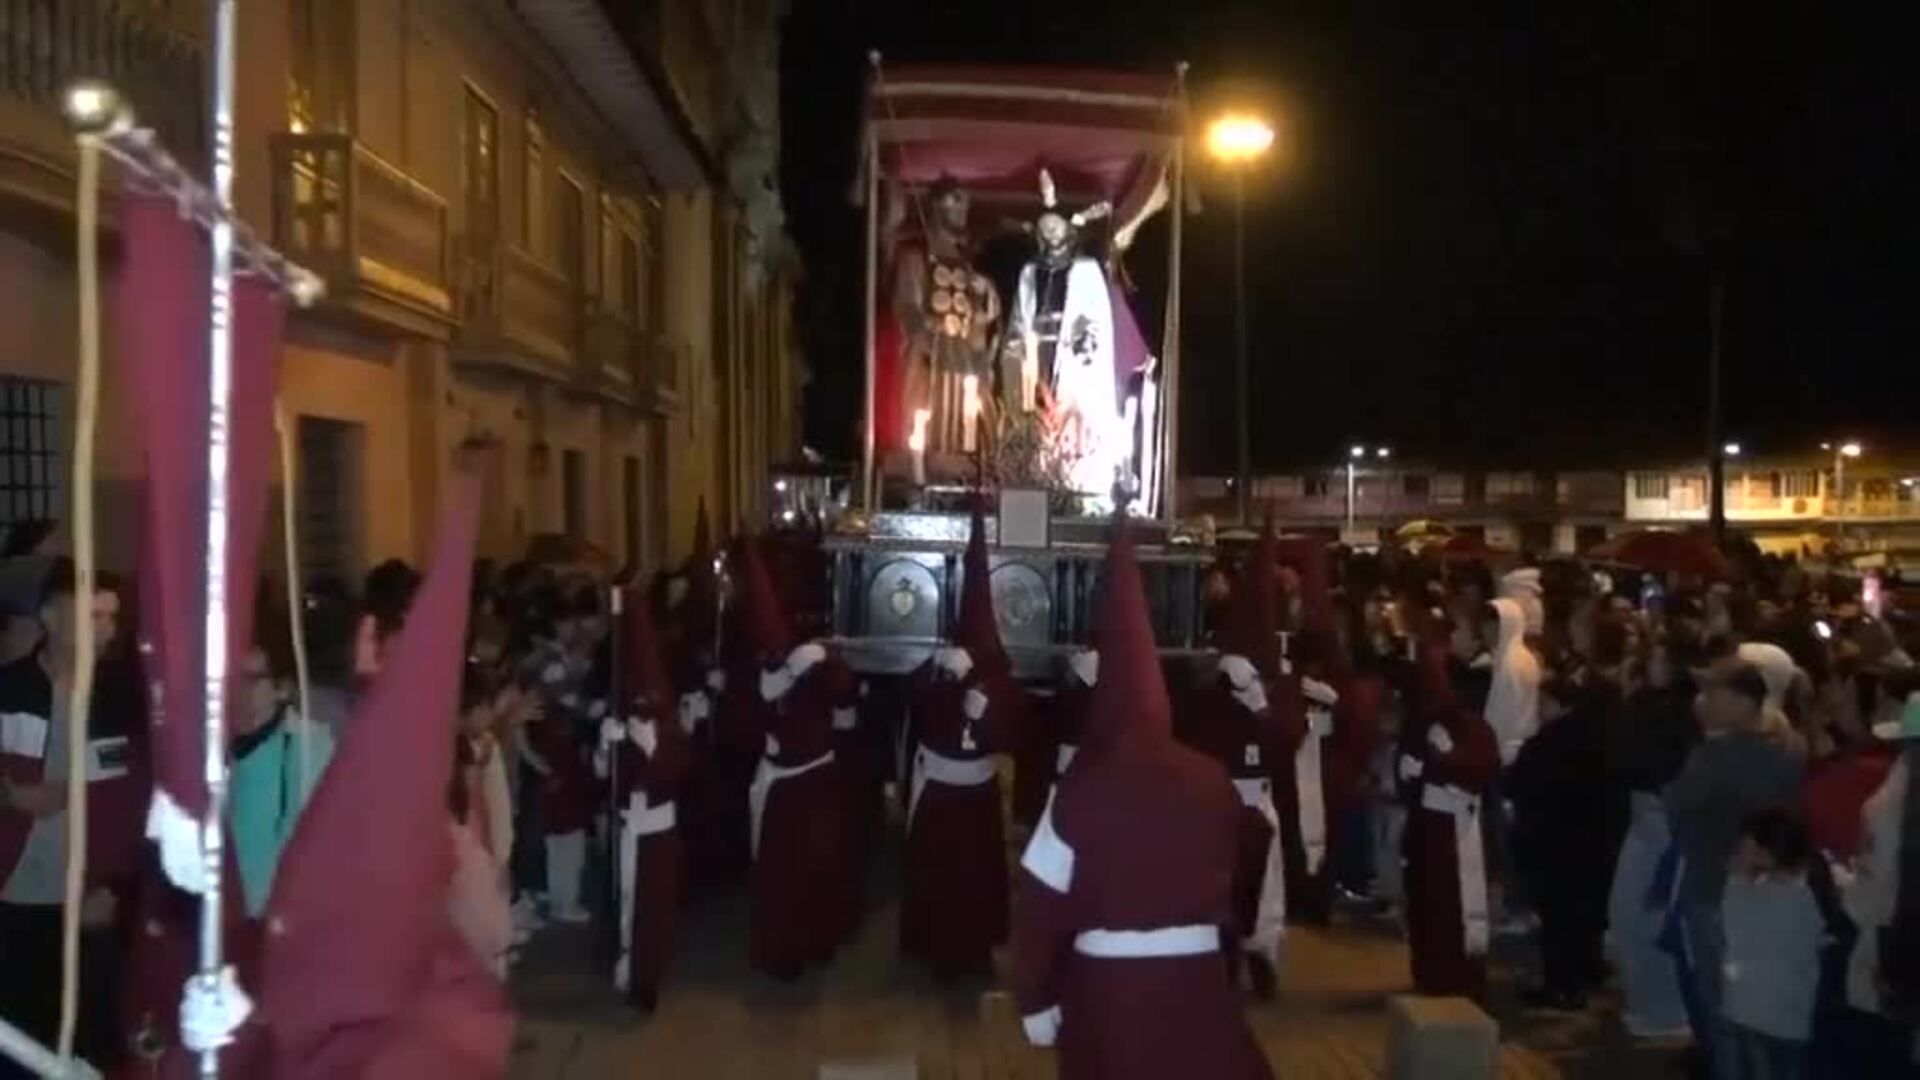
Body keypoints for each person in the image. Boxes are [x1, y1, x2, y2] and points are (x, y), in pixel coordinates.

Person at [1011, 521, 1272, 1079]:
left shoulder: (1080, 792)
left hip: (1106, 990)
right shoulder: (1210, 779)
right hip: (1198, 981)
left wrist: (1035, 996)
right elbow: (1251, 849)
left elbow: (1039, 902)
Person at [0, 560, 146, 1078]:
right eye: (92, 616)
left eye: (112, 617)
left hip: (88, 907)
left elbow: (134, 807)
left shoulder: (120, 700)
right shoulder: (8, 691)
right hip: (13, 905)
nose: (106, 630)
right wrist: (9, 794)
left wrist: (112, 886)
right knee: (19, 1047)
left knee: (90, 1048)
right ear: (50, 616)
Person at [725, 537, 857, 979]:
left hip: (814, 780)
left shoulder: (817, 669)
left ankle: (818, 940)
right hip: (782, 785)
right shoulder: (756, 670)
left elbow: (843, 700)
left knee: (818, 867)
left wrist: (823, 658)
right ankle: (784, 951)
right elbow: (743, 718)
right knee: (781, 874)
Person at [1665, 657, 1806, 1065]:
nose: (1703, 701)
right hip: (1776, 891)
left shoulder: (1715, 757)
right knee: (1761, 1005)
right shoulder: (1792, 746)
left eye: (1714, 693)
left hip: (1714, 889)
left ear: (1745, 703)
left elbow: (1676, 805)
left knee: (1721, 1003)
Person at [900, 507, 1017, 980]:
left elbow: (1014, 736)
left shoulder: (1001, 683)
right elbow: (913, 709)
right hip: (941, 791)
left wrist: (987, 717)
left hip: (977, 794)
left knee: (975, 877)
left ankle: (976, 948)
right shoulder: (937, 672)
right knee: (939, 873)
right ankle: (934, 947)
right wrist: (937, 677)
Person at [1183, 522, 1290, 998]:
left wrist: (1261, 706)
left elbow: (1285, 739)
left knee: (1265, 892)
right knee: (1223, 885)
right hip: (1223, 801)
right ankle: (1221, 961)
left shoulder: (1266, 686)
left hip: (1258, 801)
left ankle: (1261, 957)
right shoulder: (1213, 688)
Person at [596, 589, 691, 1012]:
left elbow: (675, 771)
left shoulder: (669, 732)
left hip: (656, 829)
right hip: (626, 827)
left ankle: (645, 976)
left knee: (651, 908)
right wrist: (606, 748)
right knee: (625, 901)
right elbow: (604, 777)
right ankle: (626, 964)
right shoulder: (619, 723)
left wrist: (640, 744)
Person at [1508, 670, 1626, 1010]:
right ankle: (1586, 972)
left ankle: (1561, 985)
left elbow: (1517, 784)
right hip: (1593, 842)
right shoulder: (1605, 741)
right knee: (1584, 914)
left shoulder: (1549, 744)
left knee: (1558, 918)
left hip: (1554, 842)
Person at [1399, 613, 1501, 1000]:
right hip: (1431, 823)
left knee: (1452, 903)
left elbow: (1480, 766)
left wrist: (1436, 765)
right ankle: (1435, 972)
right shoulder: (1428, 723)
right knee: (1432, 903)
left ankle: (1455, 974)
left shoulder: (1469, 726)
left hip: (1454, 825)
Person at [1608, 635, 1698, 1038]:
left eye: (1661, 658)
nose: (1653, 665)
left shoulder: (1683, 711)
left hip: (1664, 815)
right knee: (1627, 911)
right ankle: (1647, 1001)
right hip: (1643, 812)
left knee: (1648, 913)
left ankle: (1663, 1008)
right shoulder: (1647, 705)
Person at [1718, 810, 1827, 1080]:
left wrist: (1736, 876)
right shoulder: (1806, 895)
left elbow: (1734, 934)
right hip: (1792, 1017)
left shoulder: (1750, 896)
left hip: (1750, 1012)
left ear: (1764, 853)